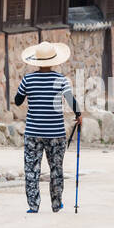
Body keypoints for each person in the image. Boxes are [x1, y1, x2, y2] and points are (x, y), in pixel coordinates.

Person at [13, 41, 81, 214]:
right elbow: (71, 100)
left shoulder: (28, 79)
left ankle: (33, 206)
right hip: (56, 134)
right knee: (56, 169)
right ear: (54, 61)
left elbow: (18, 100)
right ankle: (56, 204)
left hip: (33, 133)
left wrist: (28, 92)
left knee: (31, 169)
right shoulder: (61, 80)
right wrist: (79, 115)